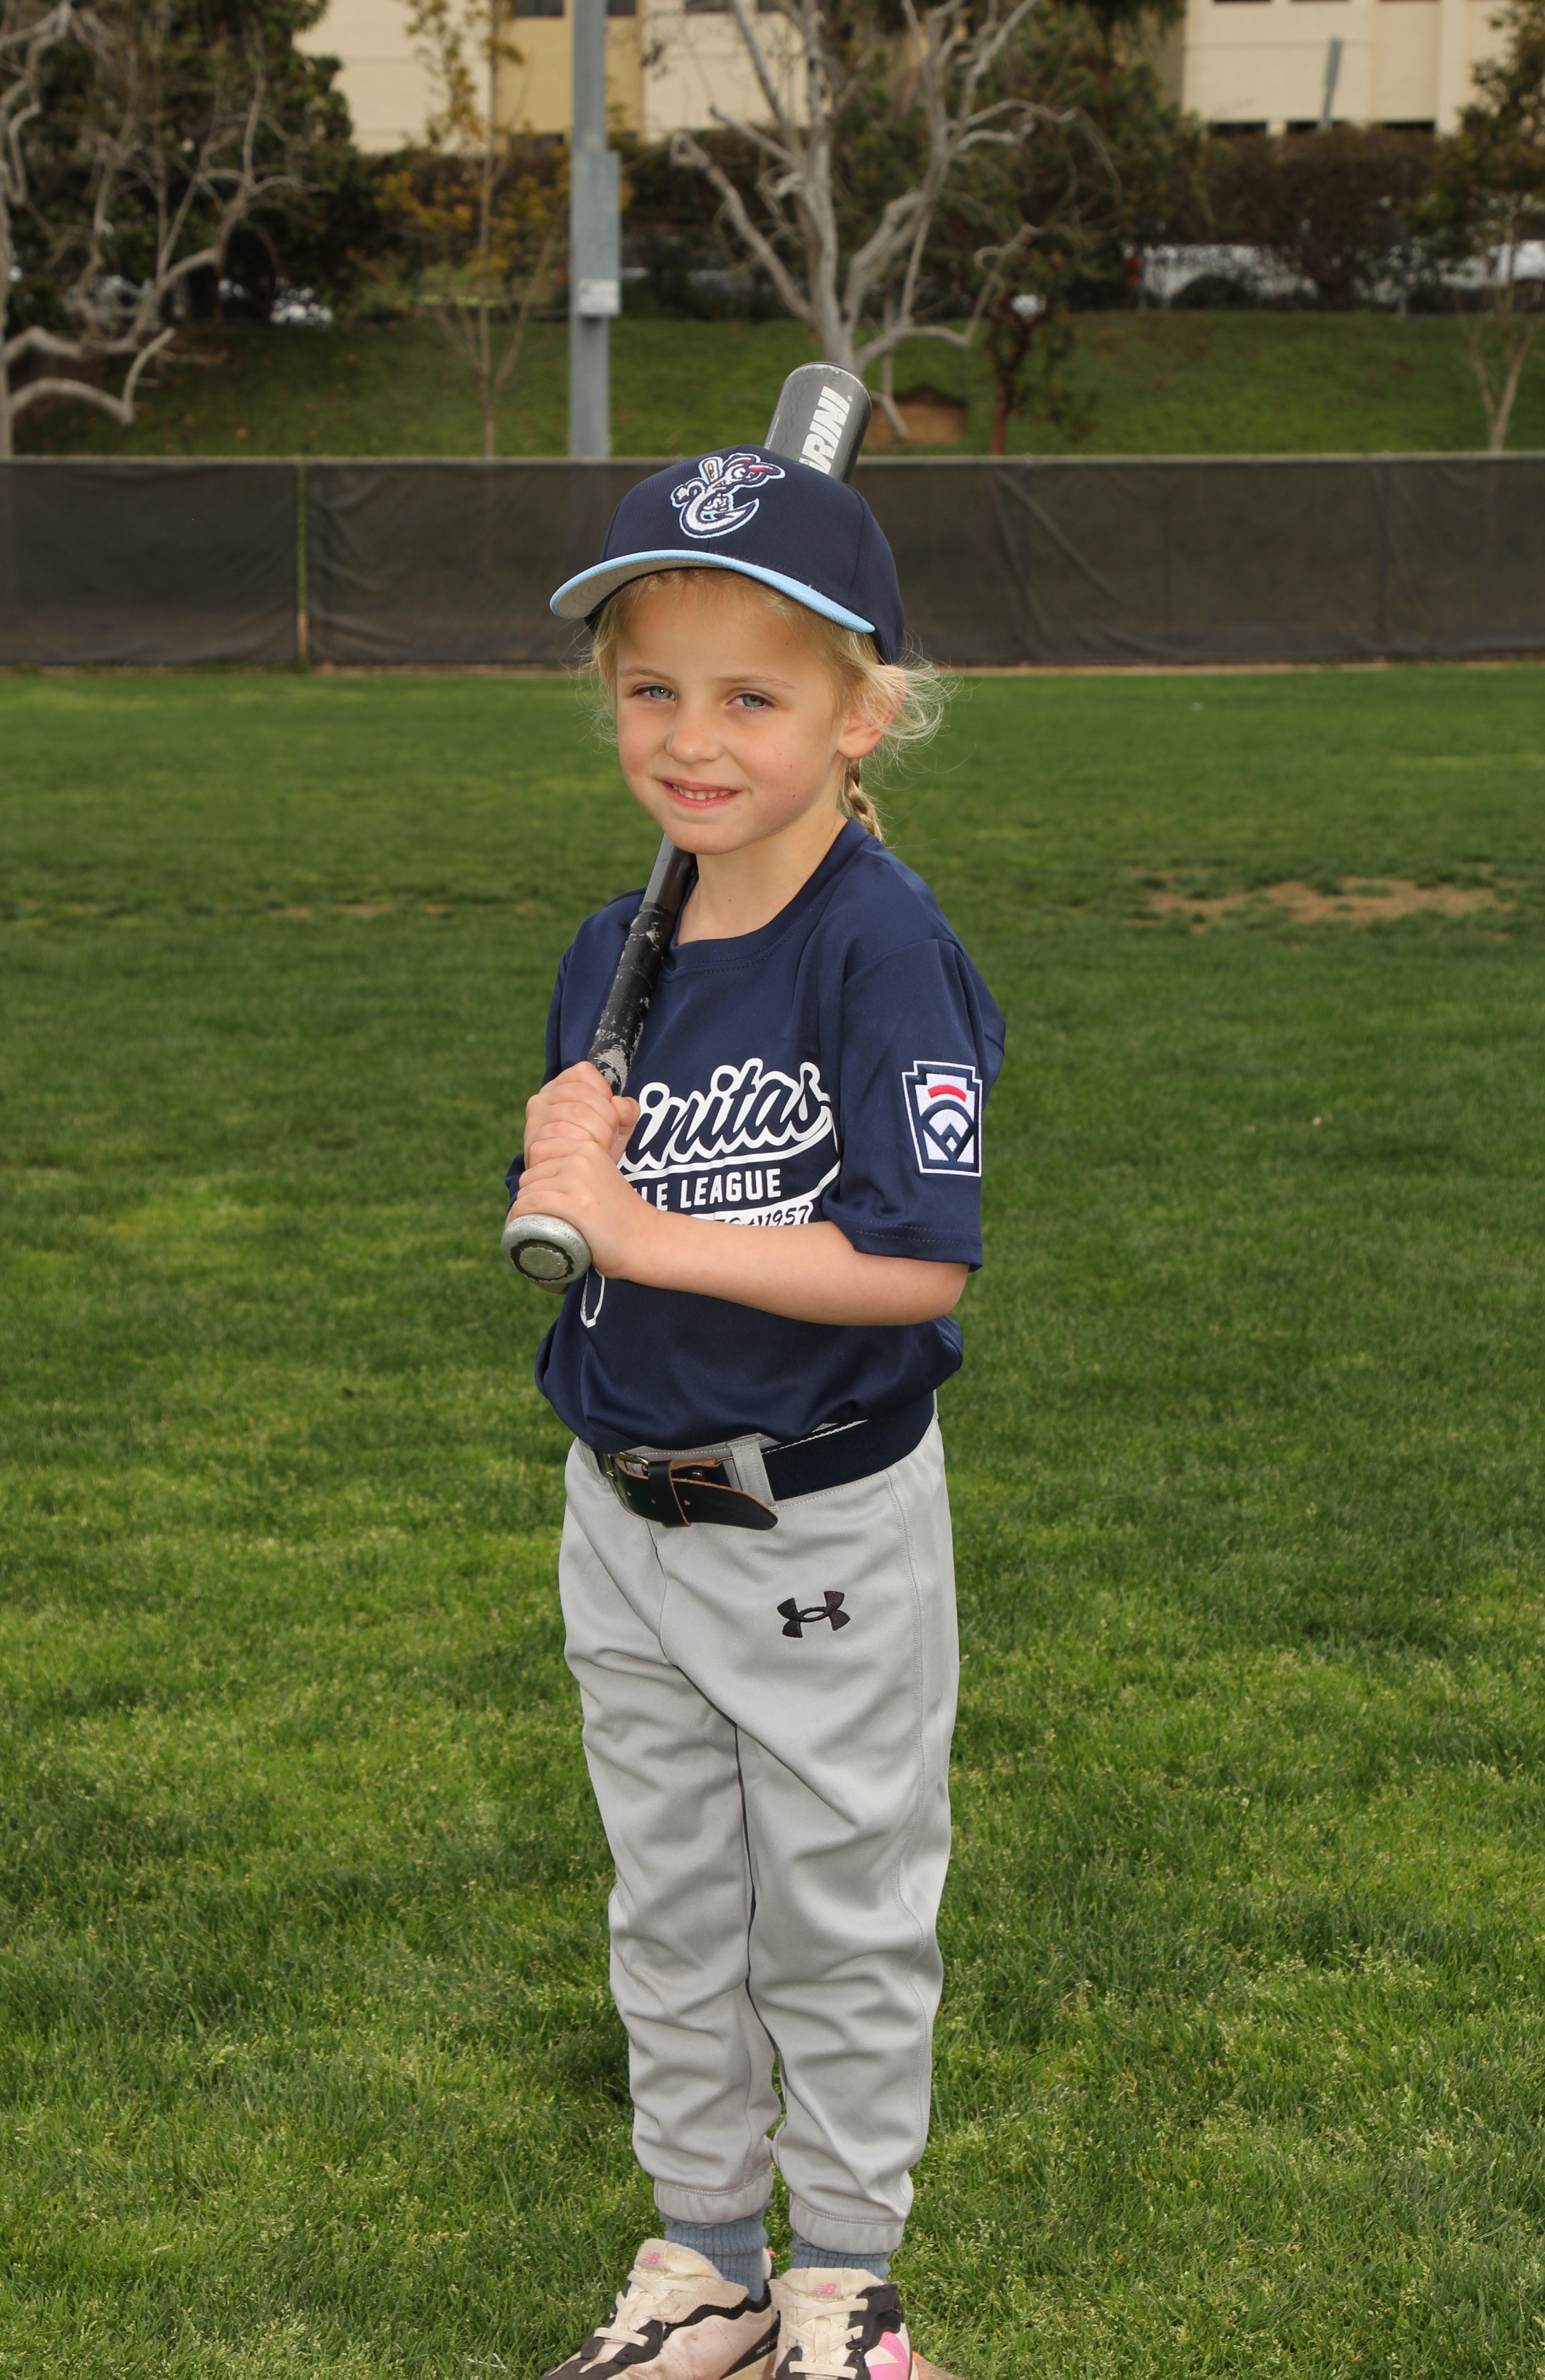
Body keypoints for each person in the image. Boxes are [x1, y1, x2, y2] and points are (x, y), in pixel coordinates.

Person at [506, 446, 1004, 2380]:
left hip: (817, 1521)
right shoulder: (609, 955)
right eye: (653, 689)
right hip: (624, 1507)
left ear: (862, 714)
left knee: (840, 1913)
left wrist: (640, 1225)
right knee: (672, 1910)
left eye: (752, 696)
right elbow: (614, 1229)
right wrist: (567, 1159)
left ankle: (845, 2287)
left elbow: (916, 1262)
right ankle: (708, 2261)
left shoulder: (882, 947)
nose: (692, 740)